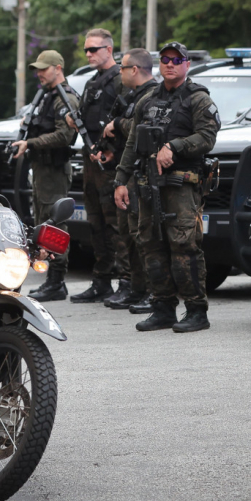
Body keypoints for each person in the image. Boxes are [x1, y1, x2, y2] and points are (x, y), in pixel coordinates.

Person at [114, 41, 220, 333]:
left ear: (187, 64)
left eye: (177, 59)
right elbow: (133, 143)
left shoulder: (198, 99)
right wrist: (121, 181)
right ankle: (163, 308)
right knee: (150, 244)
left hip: (181, 185)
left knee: (184, 245)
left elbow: (208, 137)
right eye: (165, 59)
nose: (170, 64)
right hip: (148, 184)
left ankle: (197, 310)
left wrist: (175, 145)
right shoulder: (148, 100)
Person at [10, 50, 80, 302]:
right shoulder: (47, 96)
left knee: (55, 224)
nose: (39, 74)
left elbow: (65, 135)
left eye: (44, 69)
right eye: (37, 69)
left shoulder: (65, 98)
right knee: (43, 224)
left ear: (58, 68)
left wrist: (30, 142)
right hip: (41, 170)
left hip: (54, 170)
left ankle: (57, 280)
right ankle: (51, 278)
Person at [94, 48, 159, 313]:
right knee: (129, 233)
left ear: (134, 69)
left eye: (122, 67)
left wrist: (118, 123)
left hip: (145, 173)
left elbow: (140, 130)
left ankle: (152, 291)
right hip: (127, 169)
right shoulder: (133, 96)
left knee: (144, 235)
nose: (119, 72)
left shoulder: (152, 95)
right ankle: (134, 286)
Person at [67, 28, 127, 304]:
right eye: (86, 50)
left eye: (94, 49)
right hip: (90, 160)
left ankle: (127, 281)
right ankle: (101, 280)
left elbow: (127, 122)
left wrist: (112, 153)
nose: (89, 54)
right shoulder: (92, 83)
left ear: (109, 50)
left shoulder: (120, 80)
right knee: (96, 224)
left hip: (112, 163)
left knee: (117, 224)